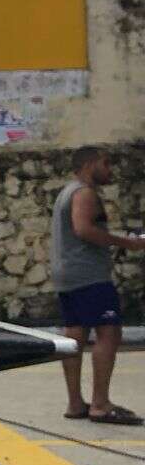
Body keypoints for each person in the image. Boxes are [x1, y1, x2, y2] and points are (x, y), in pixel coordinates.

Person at [51, 146, 145, 426]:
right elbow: (83, 229)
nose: (110, 170)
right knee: (109, 333)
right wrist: (127, 242)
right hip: (89, 276)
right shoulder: (84, 193)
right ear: (90, 164)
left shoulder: (66, 192)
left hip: (67, 275)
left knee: (74, 337)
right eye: (106, 163)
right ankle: (101, 405)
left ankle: (76, 403)